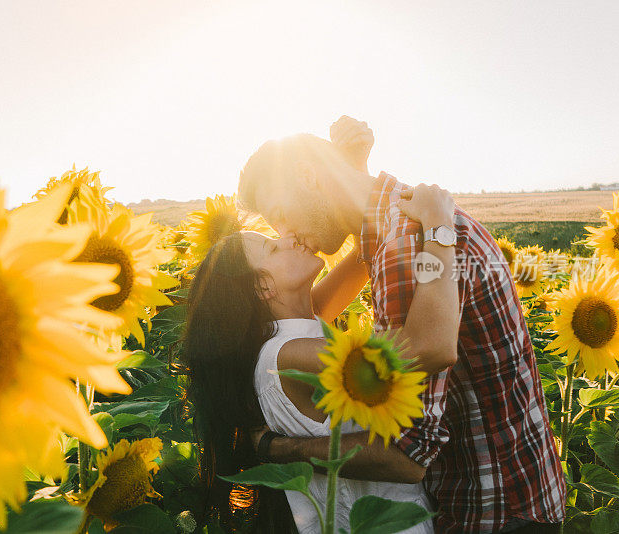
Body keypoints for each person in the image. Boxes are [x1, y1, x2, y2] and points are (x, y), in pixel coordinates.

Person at [236, 117, 566, 533]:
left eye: (280, 215)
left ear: (307, 175)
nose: (285, 233)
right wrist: (350, 171)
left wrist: (277, 448)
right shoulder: (400, 224)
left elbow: (408, 448)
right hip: (519, 492)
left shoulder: (406, 241)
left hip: (489, 510)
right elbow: (309, 312)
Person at [184, 180, 457, 532]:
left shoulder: (299, 325)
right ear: (262, 287)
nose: (287, 237)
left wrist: (351, 172)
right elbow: (432, 344)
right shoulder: (290, 355)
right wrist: (439, 229)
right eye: (271, 247)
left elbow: (363, 252)